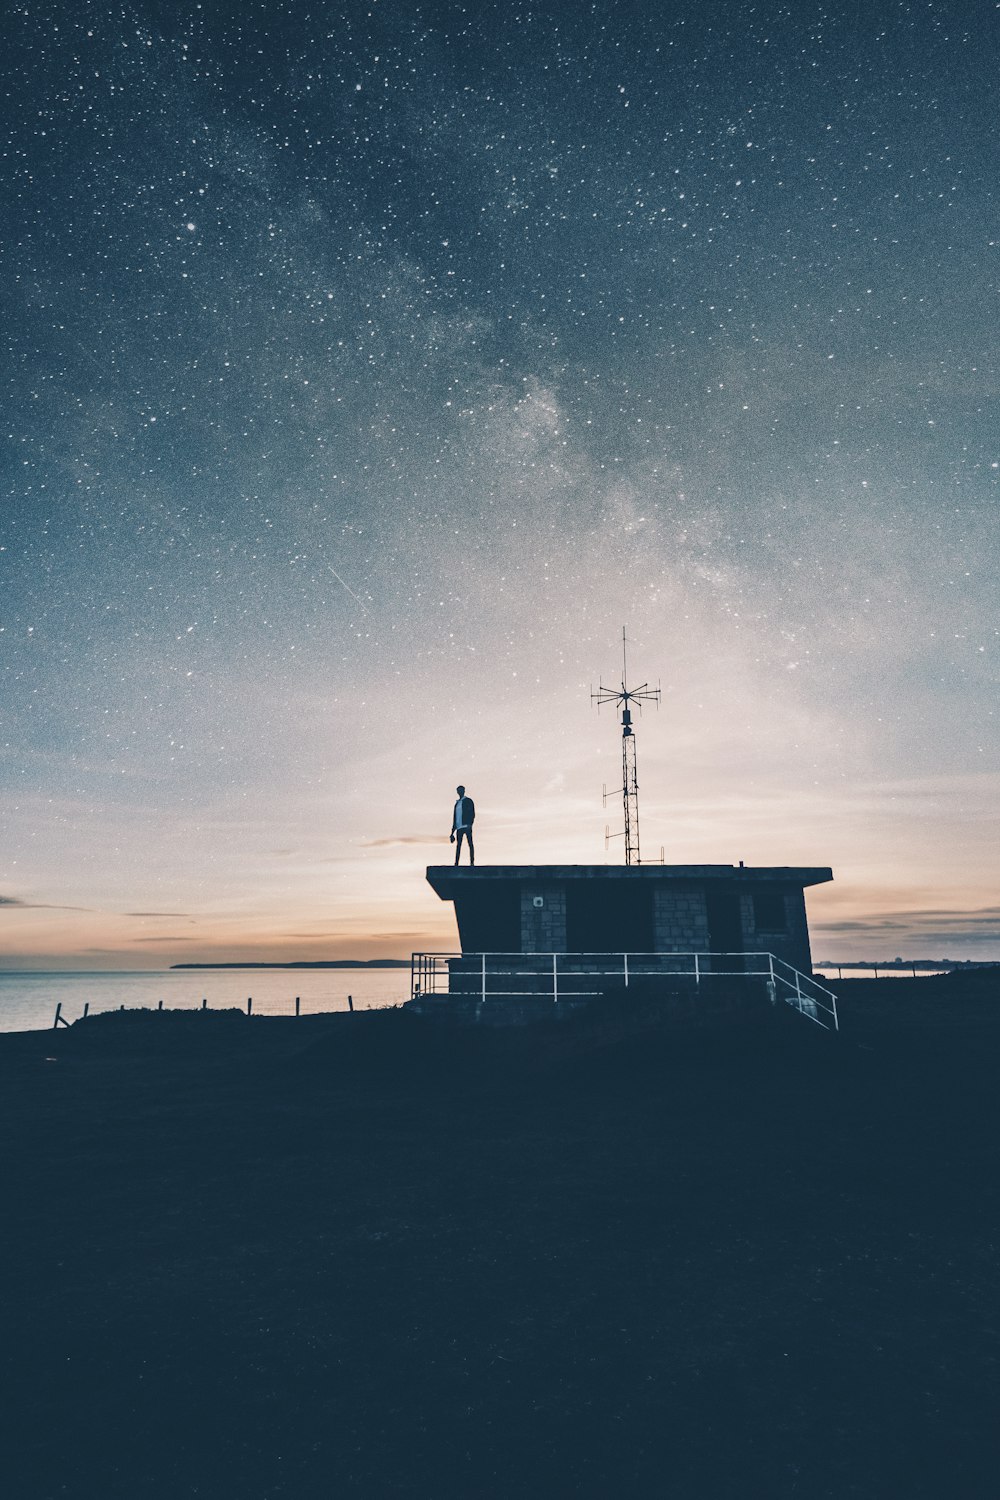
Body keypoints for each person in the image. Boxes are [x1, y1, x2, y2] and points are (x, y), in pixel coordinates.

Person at [450, 785, 475, 866]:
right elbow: (455, 817)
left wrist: (470, 824)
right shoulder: (457, 803)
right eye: (458, 791)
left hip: (466, 826)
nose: (460, 792)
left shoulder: (468, 801)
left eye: (461, 790)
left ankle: (472, 862)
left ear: (464, 791)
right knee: (458, 845)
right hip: (459, 827)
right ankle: (456, 863)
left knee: (470, 843)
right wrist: (452, 832)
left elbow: (472, 813)